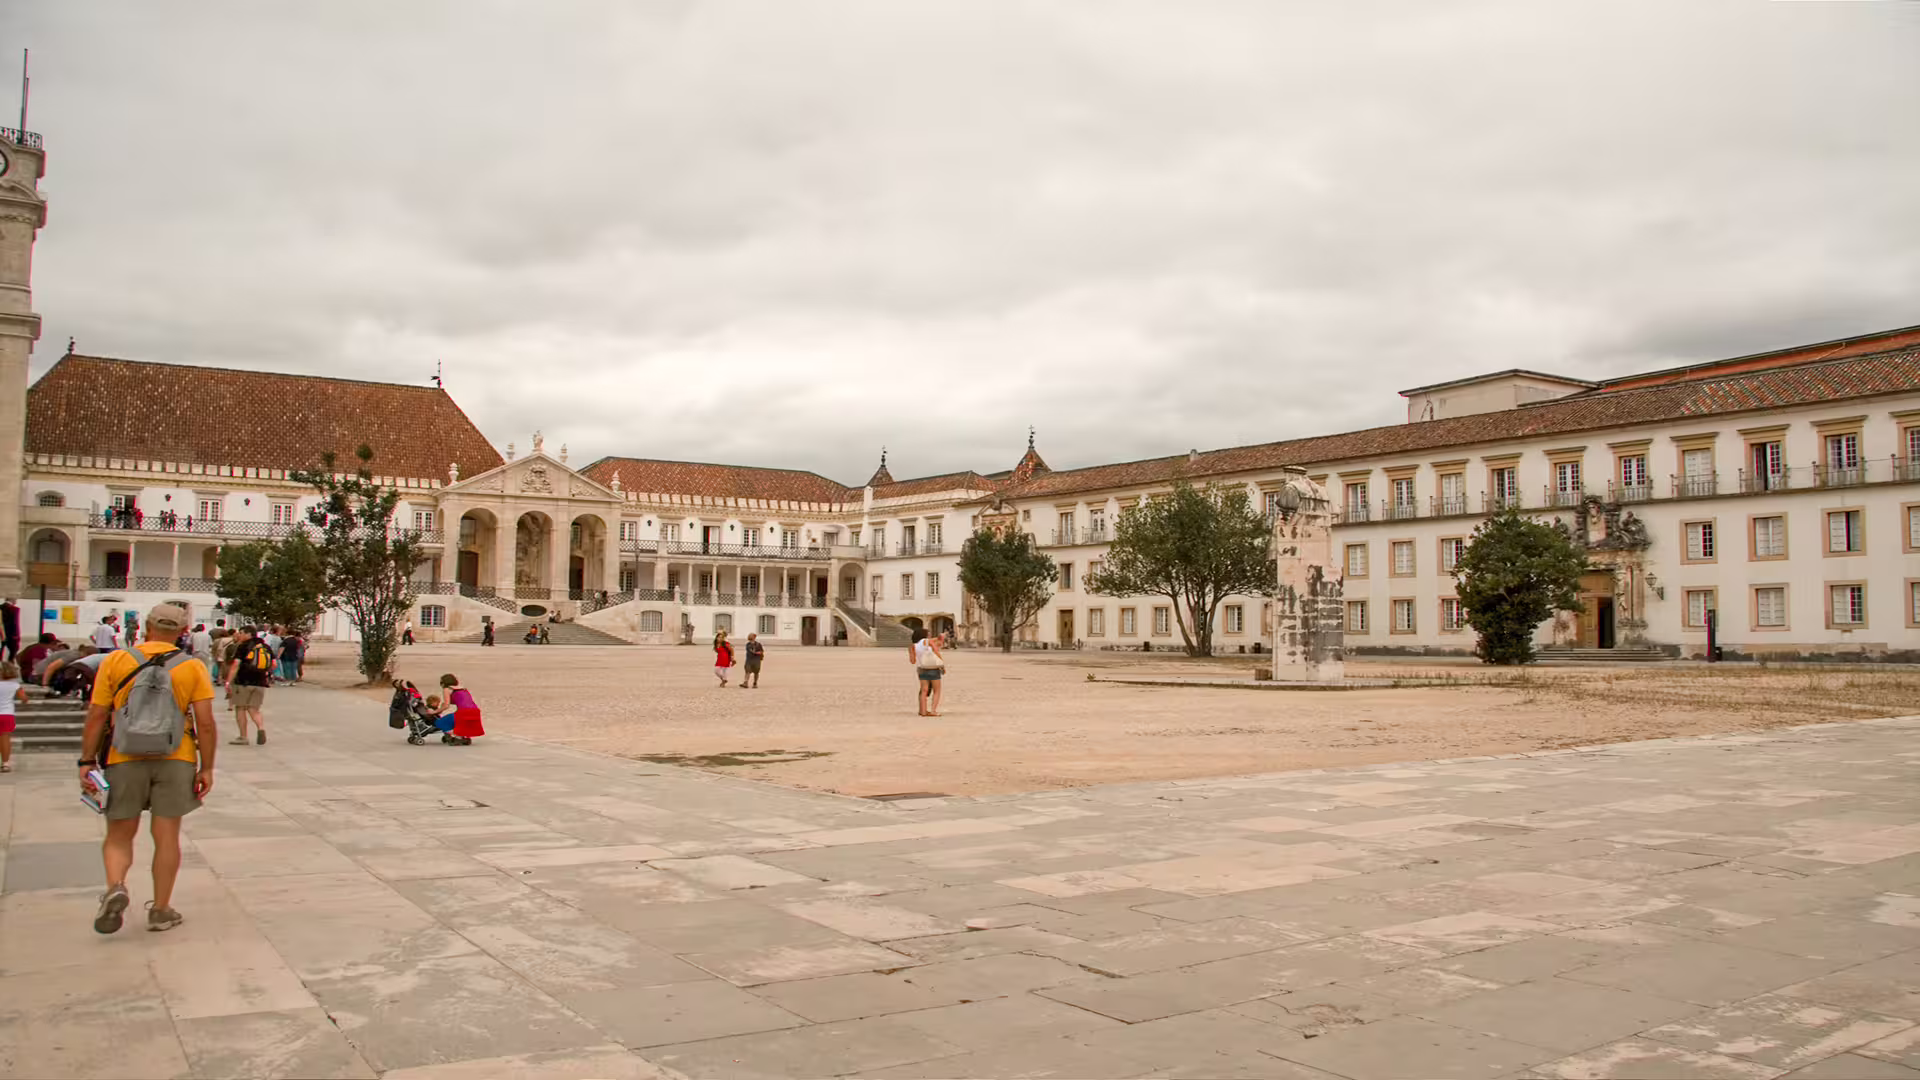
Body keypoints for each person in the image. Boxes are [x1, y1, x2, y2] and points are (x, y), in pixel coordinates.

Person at [80, 603, 216, 935]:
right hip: (176, 756)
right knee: (166, 837)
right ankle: (161, 909)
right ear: (183, 632)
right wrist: (207, 767)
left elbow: (97, 715)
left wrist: (86, 760)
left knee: (119, 834)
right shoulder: (192, 667)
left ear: (145, 626)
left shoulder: (117, 660)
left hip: (123, 756)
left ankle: (115, 886)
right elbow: (206, 724)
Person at [223, 626, 273, 746]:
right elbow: (274, 664)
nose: (239, 635)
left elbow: (236, 665)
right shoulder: (265, 647)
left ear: (248, 634)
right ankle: (260, 728)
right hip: (260, 682)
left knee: (240, 708)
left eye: (241, 633)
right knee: (254, 709)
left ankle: (243, 736)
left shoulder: (243, 646)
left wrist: (228, 681)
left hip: (243, 682)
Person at [909, 627, 945, 717]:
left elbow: (912, 661)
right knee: (937, 690)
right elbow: (936, 652)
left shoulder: (912, 646)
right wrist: (942, 664)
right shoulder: (928, 642)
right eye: (928, 633)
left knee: (924, 690)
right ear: (924, 635)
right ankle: (933, 711)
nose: (929, 635)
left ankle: (923, 711)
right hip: (933, 668)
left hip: (921, 668)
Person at [440, 673, 483, 745]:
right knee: (456, 719)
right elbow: (463, 701)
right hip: (475, 712)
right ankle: (462, 736)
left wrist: (436, 711)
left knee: (441, 722)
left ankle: (455, 736)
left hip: (463, 713)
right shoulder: (463, 689)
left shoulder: (447, 689)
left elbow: (446, 706)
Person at [0, 660, 22, 772]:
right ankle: (5, 763)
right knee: (5, 739)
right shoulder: (15, 685)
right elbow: (24, 698)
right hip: (7, 714)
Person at [1, 597, 19, 663]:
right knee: (13, 650)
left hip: (1, 634)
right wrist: (16, 635)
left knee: (1, 650)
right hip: (11, 635)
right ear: (12, 599)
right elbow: (15, 623)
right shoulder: (14, 609)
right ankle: (10, 665)